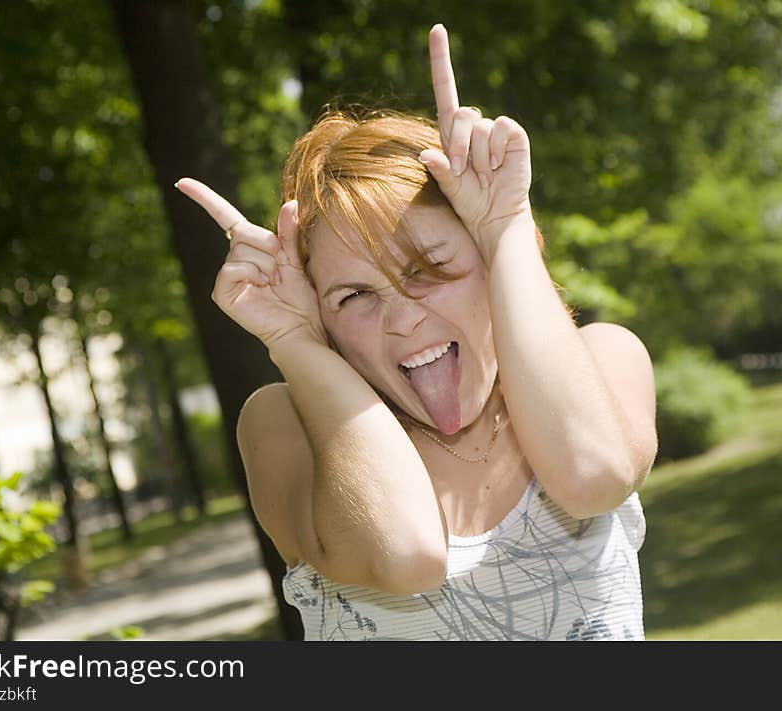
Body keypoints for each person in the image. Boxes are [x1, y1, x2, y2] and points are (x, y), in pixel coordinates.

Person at [175, 24, 657, 641]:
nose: (402, 319)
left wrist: (507, 225)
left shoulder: (608, 358)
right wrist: (295, 339)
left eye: (429, 270)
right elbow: (403, 554)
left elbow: (590, 477)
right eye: (353, 296)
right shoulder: (284, 426)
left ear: (491, 259)